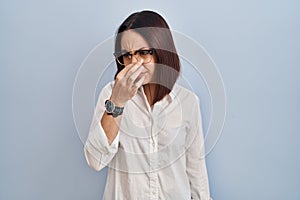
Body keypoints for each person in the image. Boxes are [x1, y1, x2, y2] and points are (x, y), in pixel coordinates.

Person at [84, 10, 212, 200]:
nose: (134, 63)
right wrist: (117, 102)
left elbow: (196, 170)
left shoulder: (188, 102)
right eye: (127, 55)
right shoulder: (110, 95)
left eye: (144, 53)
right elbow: (96, 160)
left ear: (161, 50)